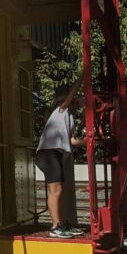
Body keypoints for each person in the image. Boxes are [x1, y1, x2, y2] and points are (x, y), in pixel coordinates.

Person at [35, 77, 86, 237]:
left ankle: (62, 224)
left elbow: (70, 141)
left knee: (60, 191)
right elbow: (72, 94)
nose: (78, 105)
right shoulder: (61, 110)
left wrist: (87, 142)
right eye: (75, 102)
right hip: (48, 153)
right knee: (56, 191)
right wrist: (83, 76)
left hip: (55, 154)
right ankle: (55, 227)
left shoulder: (69, 118)